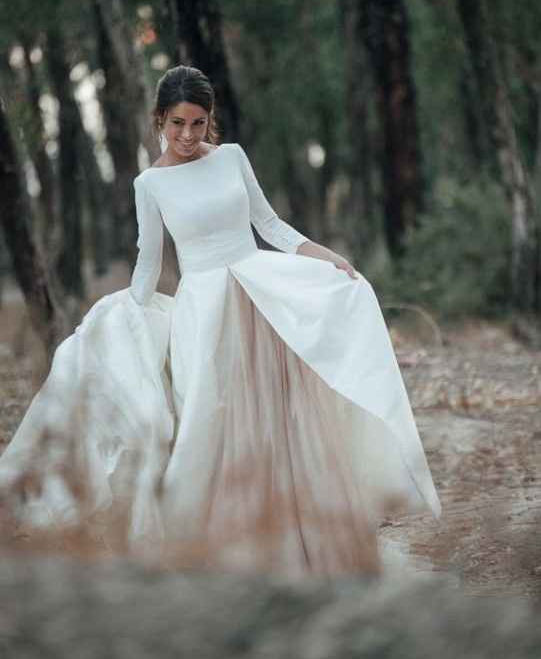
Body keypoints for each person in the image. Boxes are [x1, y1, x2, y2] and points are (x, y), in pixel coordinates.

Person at [0, 65, 441, 575]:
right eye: (176, 124)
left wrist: (326, 257)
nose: (187, 135)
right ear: (160, 119)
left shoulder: (231, 157)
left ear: (210, 121)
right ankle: (246, 550)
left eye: (198, 123)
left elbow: (270, 224)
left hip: (262, 297)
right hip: (205, 314)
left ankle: (310, 541)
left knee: (282, 421)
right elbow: (148, 263)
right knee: (222, 424)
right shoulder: (150, 183)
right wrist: (118, 311)